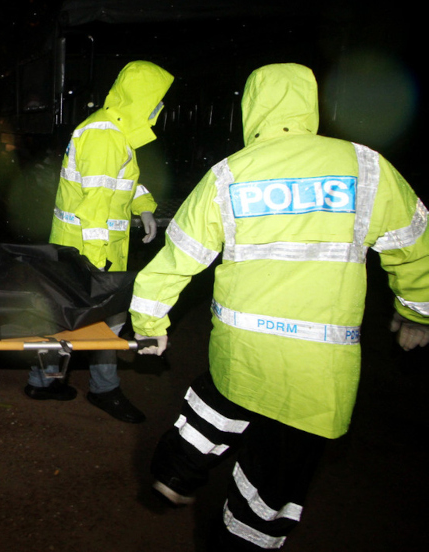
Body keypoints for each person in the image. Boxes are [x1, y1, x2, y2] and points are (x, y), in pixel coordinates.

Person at [129, 63, 429, 549]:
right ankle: (241, 538)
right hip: (317, 365)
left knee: (219, 399)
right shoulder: (365, 167)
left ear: (252, 108)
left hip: (242, 347)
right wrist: (417, 313)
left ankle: (177, 470)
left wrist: (149, 323)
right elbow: (416, 248)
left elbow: (176, 258)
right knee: (277, 467)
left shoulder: (230, 174)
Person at [25, 60, 173, 424]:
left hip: (93, 248)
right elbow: (94, 206)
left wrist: (144, 207)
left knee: (70, 319)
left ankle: (44, 382)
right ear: (140, 99)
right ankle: (102, 389)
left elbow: (124, 181)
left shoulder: (115, 131)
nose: (159, 108)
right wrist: (95, 263)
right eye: (156, 100)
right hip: (88, 249)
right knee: (105, 322)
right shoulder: (105, 134)